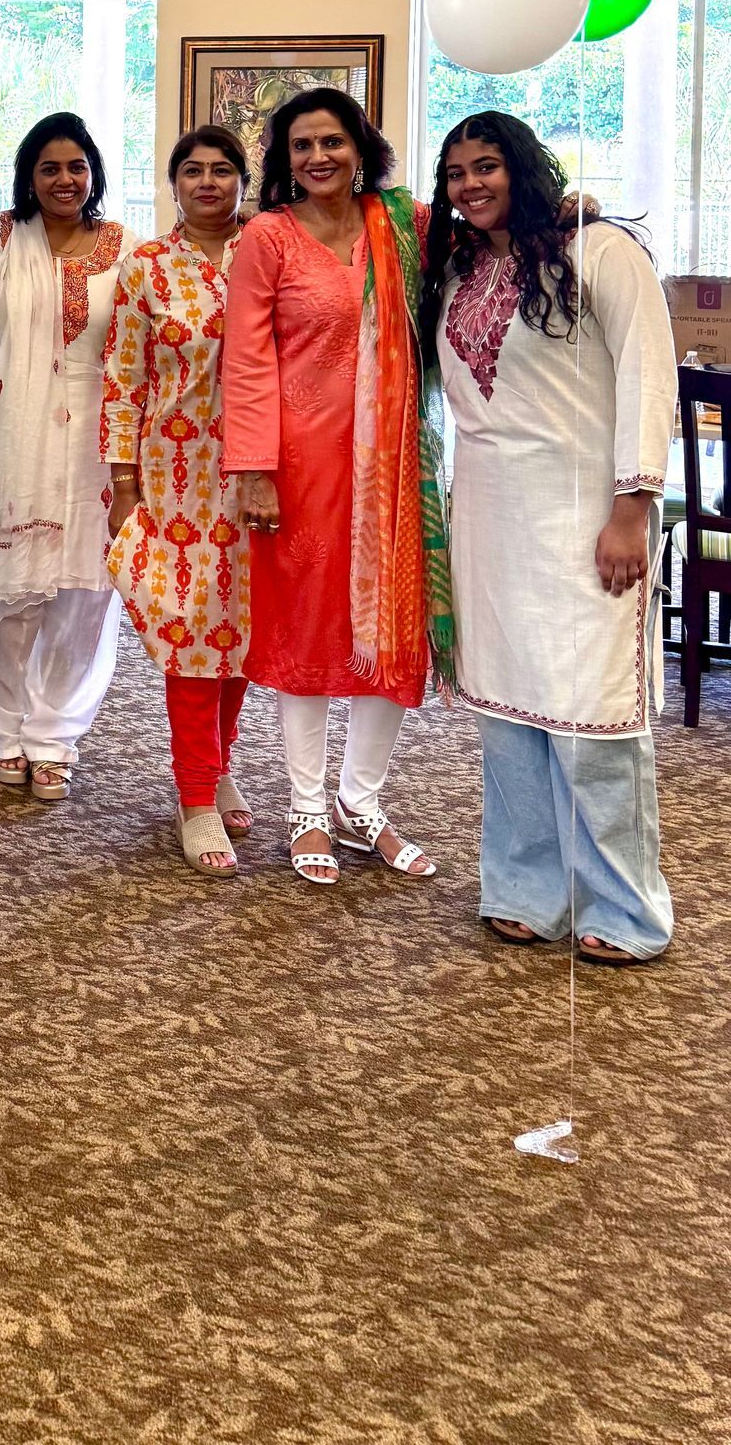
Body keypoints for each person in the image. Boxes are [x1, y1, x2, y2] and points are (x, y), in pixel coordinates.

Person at [424, 112, 677, 964]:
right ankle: (527, 890)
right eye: (457, 172)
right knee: (507, 713)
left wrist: (633, 507)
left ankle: (627, 909)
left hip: (588, 520)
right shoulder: (458, 267)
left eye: (487, 165)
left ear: (525, 167)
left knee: (593, 714)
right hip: (489, 519)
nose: (471, 184)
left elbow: (649, 375)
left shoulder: (600, 250)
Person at [220, 86, 448, 889]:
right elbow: (246, 359)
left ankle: (362, 801)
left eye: (332, 142)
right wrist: (254, 470)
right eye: (302, 145)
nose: (318, 157)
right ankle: (306, 807)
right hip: (300, 469)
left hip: (394, 466)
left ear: (361, 149)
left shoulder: (404, 227)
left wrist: (563, 211)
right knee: (308, 631)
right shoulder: (268, 237)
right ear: (285, 160)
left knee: (395, 629)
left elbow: (489, 235)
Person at [0, 112, 129, 802]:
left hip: (94, 434)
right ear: (29, 176)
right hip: (9, 427)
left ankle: (55, 736)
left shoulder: (124, 247)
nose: (64, 180)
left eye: (76, 167)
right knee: (6, 591)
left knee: (81, 592)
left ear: (94, 173)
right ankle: (3, 730)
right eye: (49, 167)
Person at [102, 126, 253, 875]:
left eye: (223, 170)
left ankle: (219, 764)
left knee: (244, 632)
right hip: (176, 478)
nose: (208, 182)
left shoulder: (271, 251)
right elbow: (123, 378)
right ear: (174, 184)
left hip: (261, 475)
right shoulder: (149, 268)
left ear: (244, 181)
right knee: (192, 632)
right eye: (193, 171)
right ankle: (195, 796)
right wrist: (123, 483)